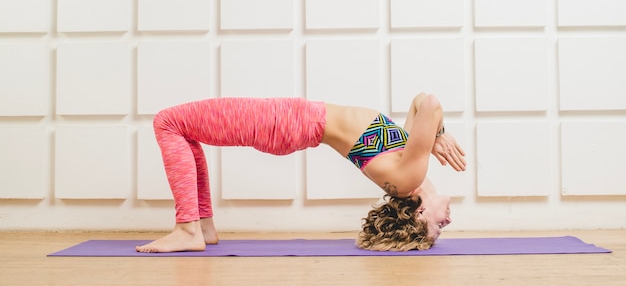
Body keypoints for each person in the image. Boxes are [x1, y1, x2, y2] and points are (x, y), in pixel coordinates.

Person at [136, 93, 466, 253]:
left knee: (168, 122)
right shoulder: (408, 170)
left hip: (288, 123)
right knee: (180, 128)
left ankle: (188, 229)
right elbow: (420, 103)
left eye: (438, 227)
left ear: (419, 214)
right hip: (292, 122)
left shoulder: (408, 176)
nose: (446, 222)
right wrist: (433, 133)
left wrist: (437, 132)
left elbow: (431, 105)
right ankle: (201, 227)